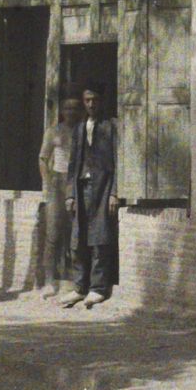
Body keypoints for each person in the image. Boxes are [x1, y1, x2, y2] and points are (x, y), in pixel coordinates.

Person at [64, 84, 119, 309]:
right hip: (81, 188)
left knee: (100, 238)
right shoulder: (79, 128)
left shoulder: (111, 126)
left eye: (95, 99)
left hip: (103, 189)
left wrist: (115, 192)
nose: (91, 104)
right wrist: (70, 195)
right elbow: (72, 163)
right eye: (87, 100)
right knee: (78, 239)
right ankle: (79, 287)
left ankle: (98, 288)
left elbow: (118, 161)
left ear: (101, 101)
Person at [36, 96, 82, 300]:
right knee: (53, 233)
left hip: (78, 183)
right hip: (58, 183)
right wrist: (47, 183)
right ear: (62, 110)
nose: (71, 112)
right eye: (67, 108)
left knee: (76, 233)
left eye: (74, 108)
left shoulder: (83, 131)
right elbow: (43, 158)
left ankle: (74, 281)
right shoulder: (53, 131)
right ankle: (48, 282)